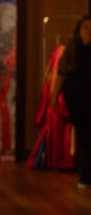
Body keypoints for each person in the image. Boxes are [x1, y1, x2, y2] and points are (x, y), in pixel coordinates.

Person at [51, 15, 91, 189]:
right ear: (79, 30)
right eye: (85, 27)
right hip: (77, 101)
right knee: (85, 137)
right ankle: (85, 177)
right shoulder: (72, 51)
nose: (89, 31)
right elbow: (61, 74)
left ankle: (86, 176)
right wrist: (54, 97)